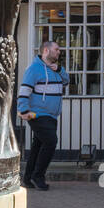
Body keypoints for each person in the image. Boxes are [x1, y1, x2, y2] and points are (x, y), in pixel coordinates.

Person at [19, 41, 69, 190]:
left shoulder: (56, 69)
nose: (59, 52)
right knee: (51, 141)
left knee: (38, 145)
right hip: (37, 114)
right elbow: (24, 90)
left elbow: (66, 81)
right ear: (46, 51)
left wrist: (60, 70)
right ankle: (37, 176)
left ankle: (28, 178)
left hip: (52, 115)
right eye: (57, 49)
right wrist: (24, 110)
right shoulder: (34, 69)